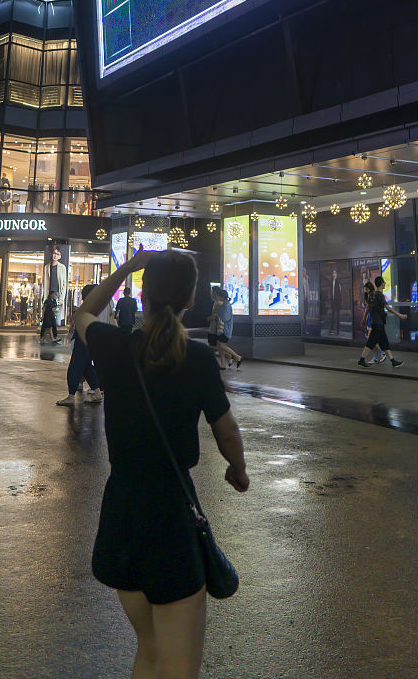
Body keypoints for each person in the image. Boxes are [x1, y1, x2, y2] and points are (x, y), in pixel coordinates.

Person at [74, 248, 249, 679]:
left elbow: (82, 313)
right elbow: (226, 431)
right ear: (191, 300)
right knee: (179, 667)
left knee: (149, 651)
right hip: (170, 517)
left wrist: (126, 268)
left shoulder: (114, 346)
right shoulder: (197, 359)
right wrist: (237, 470)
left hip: (121, 514)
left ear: (145, 294)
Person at [57, 284, 103, 406]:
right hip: (91, 340)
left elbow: (80, 324)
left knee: (75, 367)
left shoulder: (89, 307)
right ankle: (97, 394)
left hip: (83, 339)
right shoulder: (99, 306)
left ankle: (71, 396)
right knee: (87, 367)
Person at [357, 276, 406, 369]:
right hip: (378, 323)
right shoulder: (379, 295)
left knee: (384, 343)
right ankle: (361, 359)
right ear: (381, 283)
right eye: (384, 282)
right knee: (371, 342)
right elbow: (387, 307)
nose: (385, 284)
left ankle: (393, 361)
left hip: (376, 322)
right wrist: (399, 315)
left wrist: (364, 319)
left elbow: (368, 308)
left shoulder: (371, 294)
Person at [210, 288, 242, 370]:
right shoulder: (225, 304)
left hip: (225, 329)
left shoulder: (226, 305)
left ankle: (237, 357)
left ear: (221, 296)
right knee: (220, 346)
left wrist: (216, 316)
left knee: (221, 345)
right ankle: (223, 364)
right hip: (221, 329)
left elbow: (225, 318)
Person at [362, 280, 386, 363]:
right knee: (372, 339)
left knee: (371, 339)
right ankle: (376, 357)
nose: (366, 291)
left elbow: (370, 309)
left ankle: (382, 353)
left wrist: (365, 319)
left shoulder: (374, 295)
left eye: (367, 289)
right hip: (370, 319)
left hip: (373, 319)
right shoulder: (368, 296)